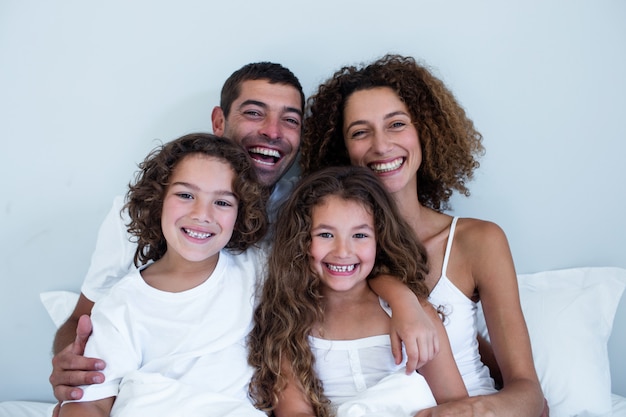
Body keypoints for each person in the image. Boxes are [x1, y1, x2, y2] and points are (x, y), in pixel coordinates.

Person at [50, 61, 439, 412]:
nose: (272, 131)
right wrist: (69, 370)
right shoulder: (128, 249)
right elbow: (87, 319)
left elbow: (347, 268)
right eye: (254, 113)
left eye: (289, 120)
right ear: (219, 121)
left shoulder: (302, 212)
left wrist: (405, 299)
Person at [299, 54, 546, 416]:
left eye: (396, 124)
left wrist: (464, 412)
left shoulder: (477, 241)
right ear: (342, 149)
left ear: (426, 131)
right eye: (360, 131)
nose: (381, 146)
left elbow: (528, 393)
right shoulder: (334, 255)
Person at [59, 133, 269, 417]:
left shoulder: (257, 270)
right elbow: (91, 401)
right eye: (185, 195)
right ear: (158, 201)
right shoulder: (123, 304)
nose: (202, 214)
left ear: (240, 214)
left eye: (222, 202)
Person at [248, 166, 468, 417]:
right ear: (302, 241)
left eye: (360, 235)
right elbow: (295, 411)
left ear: (380, 240)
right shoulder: (288, 322)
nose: (343, 251)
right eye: (326, 234)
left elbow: (456, 404)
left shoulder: (413, 313)